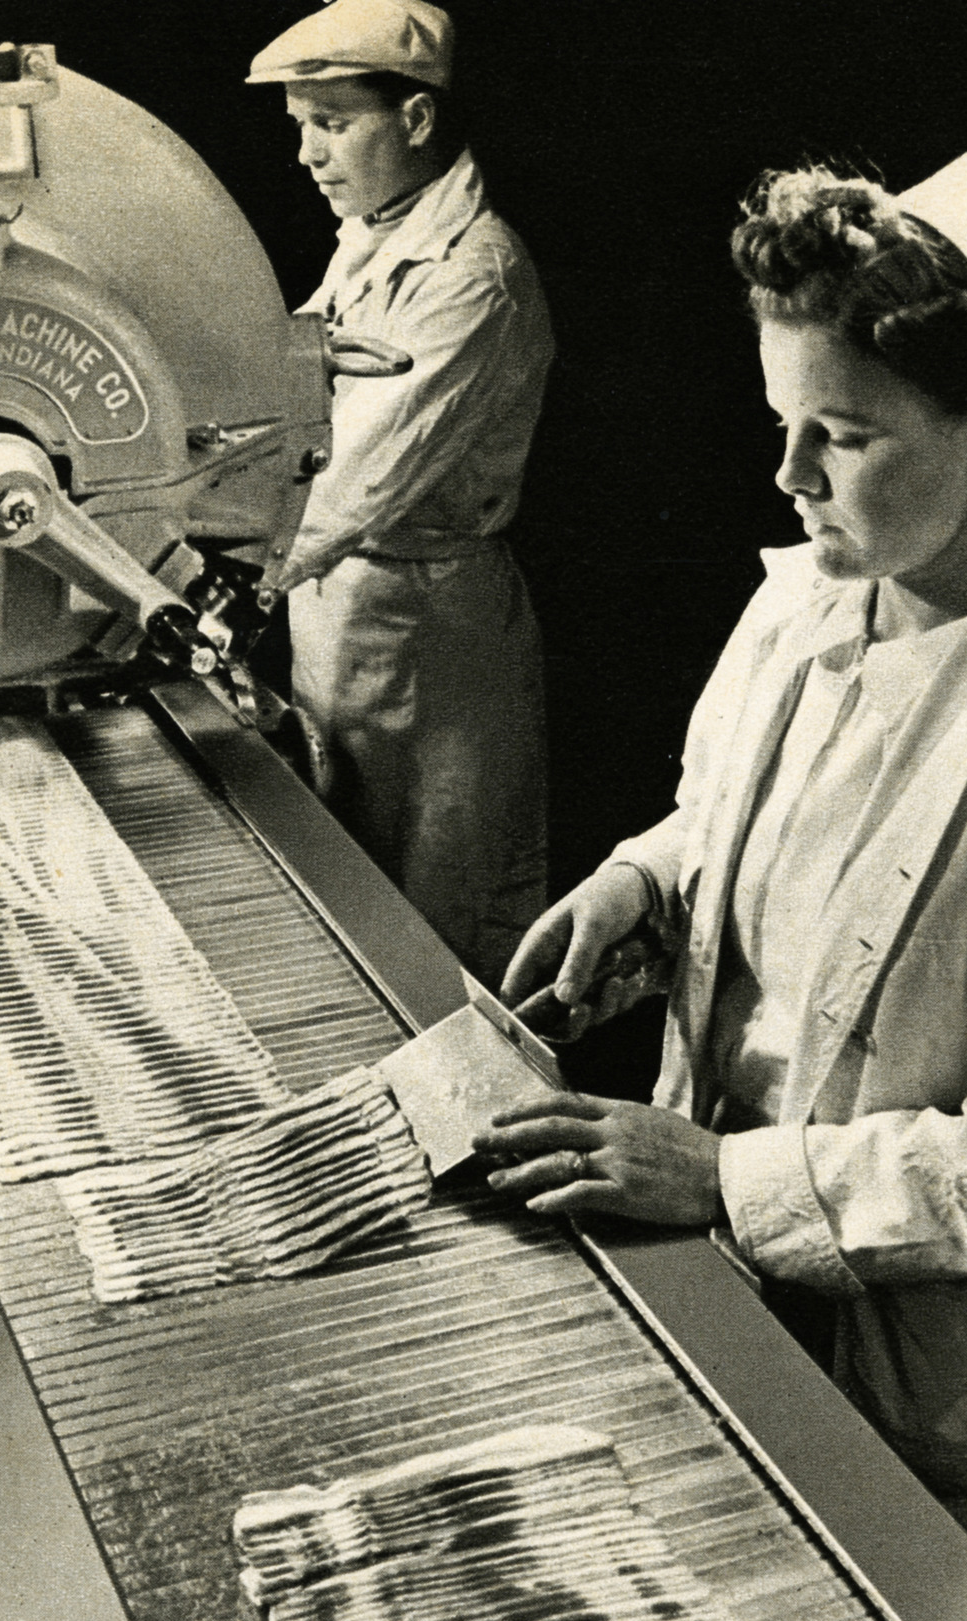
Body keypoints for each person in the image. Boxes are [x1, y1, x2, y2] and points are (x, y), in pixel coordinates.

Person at [474, 147, 967, 1621]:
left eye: (845, 437)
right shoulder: (807, 599)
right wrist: (643, 885)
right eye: (784, 429)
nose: (791, 479)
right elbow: (740, 822)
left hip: (936, 1425)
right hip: (728, 1304)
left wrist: (724, 1179)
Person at [247, 0, 554, 987]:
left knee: (434, 928)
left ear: (415, 120)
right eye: (299, 126)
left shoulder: (475, 276)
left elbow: (355, 483)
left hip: (426, 635)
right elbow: (276, 380)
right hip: (342, 613)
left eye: (331, 125)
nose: (307, 154)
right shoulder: (375, 235)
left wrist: (196, 591)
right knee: (350, 891)